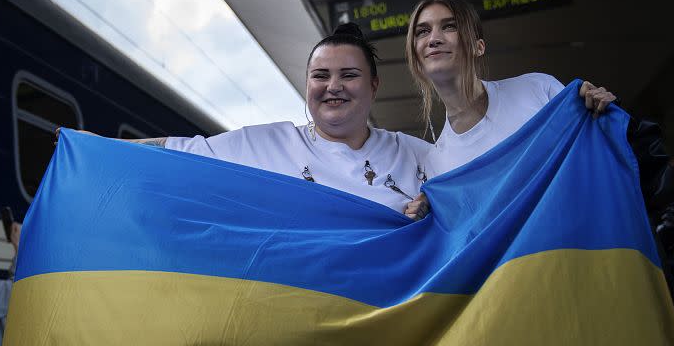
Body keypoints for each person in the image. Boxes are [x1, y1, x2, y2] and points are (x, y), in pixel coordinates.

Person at [67, 24, 432, 219]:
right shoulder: (267, 144)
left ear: (373, 85)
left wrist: (439, 211)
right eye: (320, 76)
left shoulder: (416, 155)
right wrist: (96, 147)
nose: (332, 86)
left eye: (348, 75)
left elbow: (479, 198)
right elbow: (180, 153)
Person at [404, 0, 617, 177]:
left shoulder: (538, 89)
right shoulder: (439, 164)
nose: (433, 39)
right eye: (422, 31)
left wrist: (599, 114)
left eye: (450, 26)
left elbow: (594, 161)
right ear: (415, 55)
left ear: (479, 47)